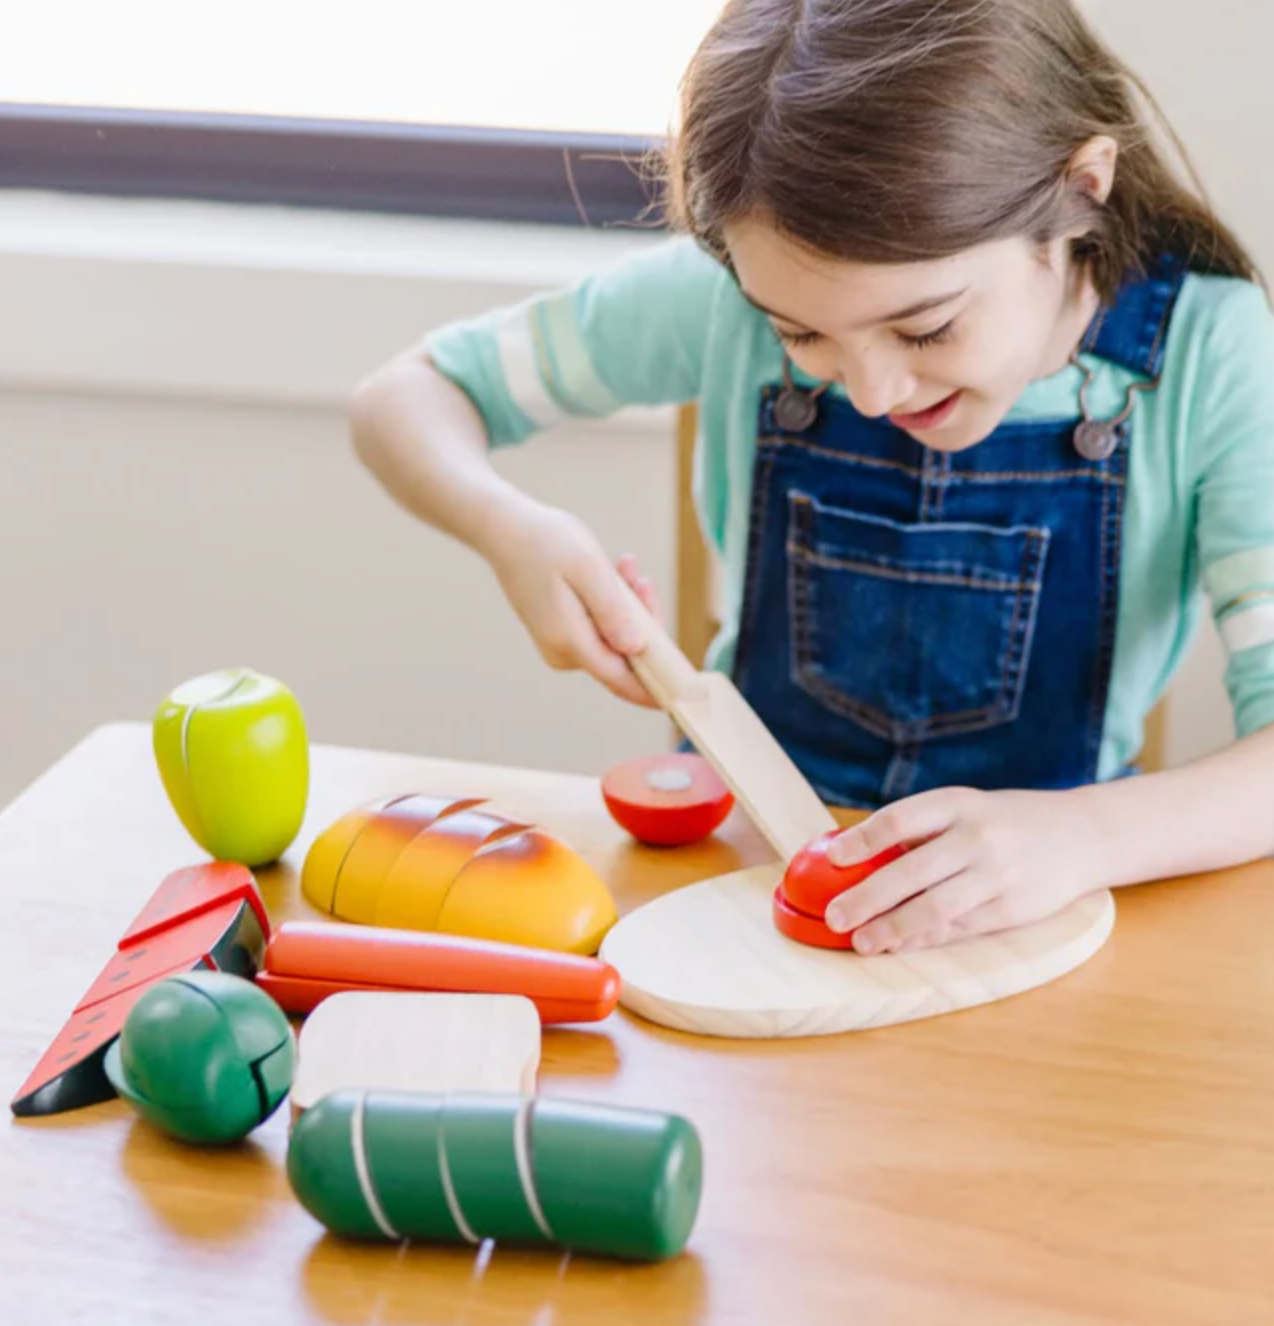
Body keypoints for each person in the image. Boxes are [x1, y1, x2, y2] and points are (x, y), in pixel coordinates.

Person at [349, 0, 1274, 957]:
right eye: (800, 334)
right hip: (739, 889)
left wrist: (1083, 837)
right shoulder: (724, 301)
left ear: (1079, 188)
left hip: (1035, 923)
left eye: (926, 328)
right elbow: (404, 398)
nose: (873, 392)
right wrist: (513, 532)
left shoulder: (1207, 349)